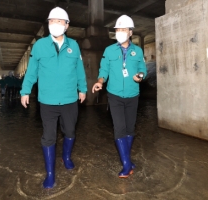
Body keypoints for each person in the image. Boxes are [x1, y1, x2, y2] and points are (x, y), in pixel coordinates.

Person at [20, 7, 87, 189]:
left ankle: (66, 157)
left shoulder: (73, 45)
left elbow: (79, 70)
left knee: (70, 132)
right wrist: (25, 91)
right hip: (47, 100)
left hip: (69, 99)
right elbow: (32, 71)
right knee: (48, 137)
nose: (54, 25)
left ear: (66, 26)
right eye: (51, 21)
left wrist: (83, 88)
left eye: (59, 21)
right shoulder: (40, 45)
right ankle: (50, 174)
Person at [92, 15, 147, 178]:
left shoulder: (138, 51)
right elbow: (104, 70)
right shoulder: (109, 50)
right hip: (114, 95)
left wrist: (141, 75)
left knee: (130, 128)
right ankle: (126, 166)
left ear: (130, 33)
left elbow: (142, 68)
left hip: (133, 95)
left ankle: (127, 160)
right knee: (119, 128)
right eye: (117, 30)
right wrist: (100, 81)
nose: (120, 33)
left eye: (123, 30)